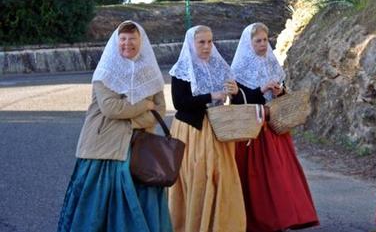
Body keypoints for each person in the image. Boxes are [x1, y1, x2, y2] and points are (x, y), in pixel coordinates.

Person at [57, 21, 172, 232]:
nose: (127, 43)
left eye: (132, 38)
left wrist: (130, 118)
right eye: (123, 38)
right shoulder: (105, 71)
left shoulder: (151, 73)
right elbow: (111, 108)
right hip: (103, 149)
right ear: (116, 41)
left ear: (141, 41)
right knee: (96, 209)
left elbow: (159, 111)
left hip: (140, 148)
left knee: (141, 202)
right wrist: (144, 105)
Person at [230, 22, 319, 232]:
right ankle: (261, 221)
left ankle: (283, 217)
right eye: (258, 41)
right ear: (248, 43)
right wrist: (261, 90)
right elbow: (237, 101)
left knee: (281, 177)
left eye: (264, 40)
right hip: (254, 132)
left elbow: (284, 92)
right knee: (258, 178)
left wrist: (279, 91)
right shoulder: (239, 68)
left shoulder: (271, 62)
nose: (262, 44)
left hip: (275, 129)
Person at [168, 25, 246, 232]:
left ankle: (220, 225)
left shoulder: (219, 66)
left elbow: (237, 100)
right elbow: (180, 103)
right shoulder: (182, 70)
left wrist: (235, 92)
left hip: (218, 129)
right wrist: (210, 96)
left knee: (221, 176)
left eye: (210, 41)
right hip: (192, 130)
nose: (206, 46)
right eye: (201, 42)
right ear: (191, 44)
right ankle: (194, 225)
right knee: (199, 177)